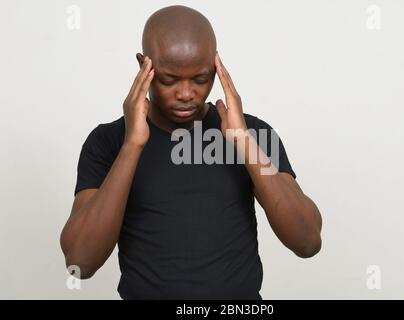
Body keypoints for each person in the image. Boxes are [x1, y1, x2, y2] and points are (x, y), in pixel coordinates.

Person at [60, 5, 322, 300]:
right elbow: (80, 262)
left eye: (200, 79)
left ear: (216, 66)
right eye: (169, 80)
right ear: (143, 66)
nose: (186, 94)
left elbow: (307, 241)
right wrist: (132, 145)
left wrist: (243, 141)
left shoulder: (254, 133)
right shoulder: (108, 142)